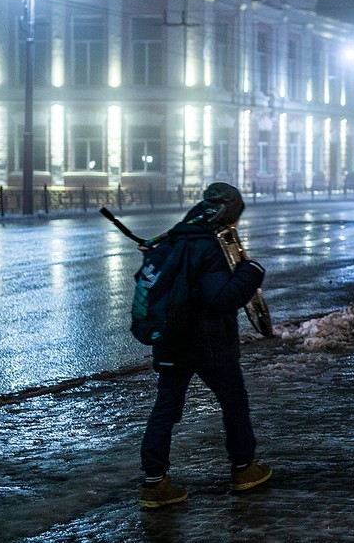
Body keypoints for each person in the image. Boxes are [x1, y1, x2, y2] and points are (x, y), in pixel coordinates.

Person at [138, 182, 273, 508]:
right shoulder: (209, 246)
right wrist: (251, 272)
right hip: (208, 343)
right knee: (233, 400)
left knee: (165, 408)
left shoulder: (174, 238)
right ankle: (244, 469)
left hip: (169, 340)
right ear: (229, 215)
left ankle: (154, 484)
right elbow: (220, 298)